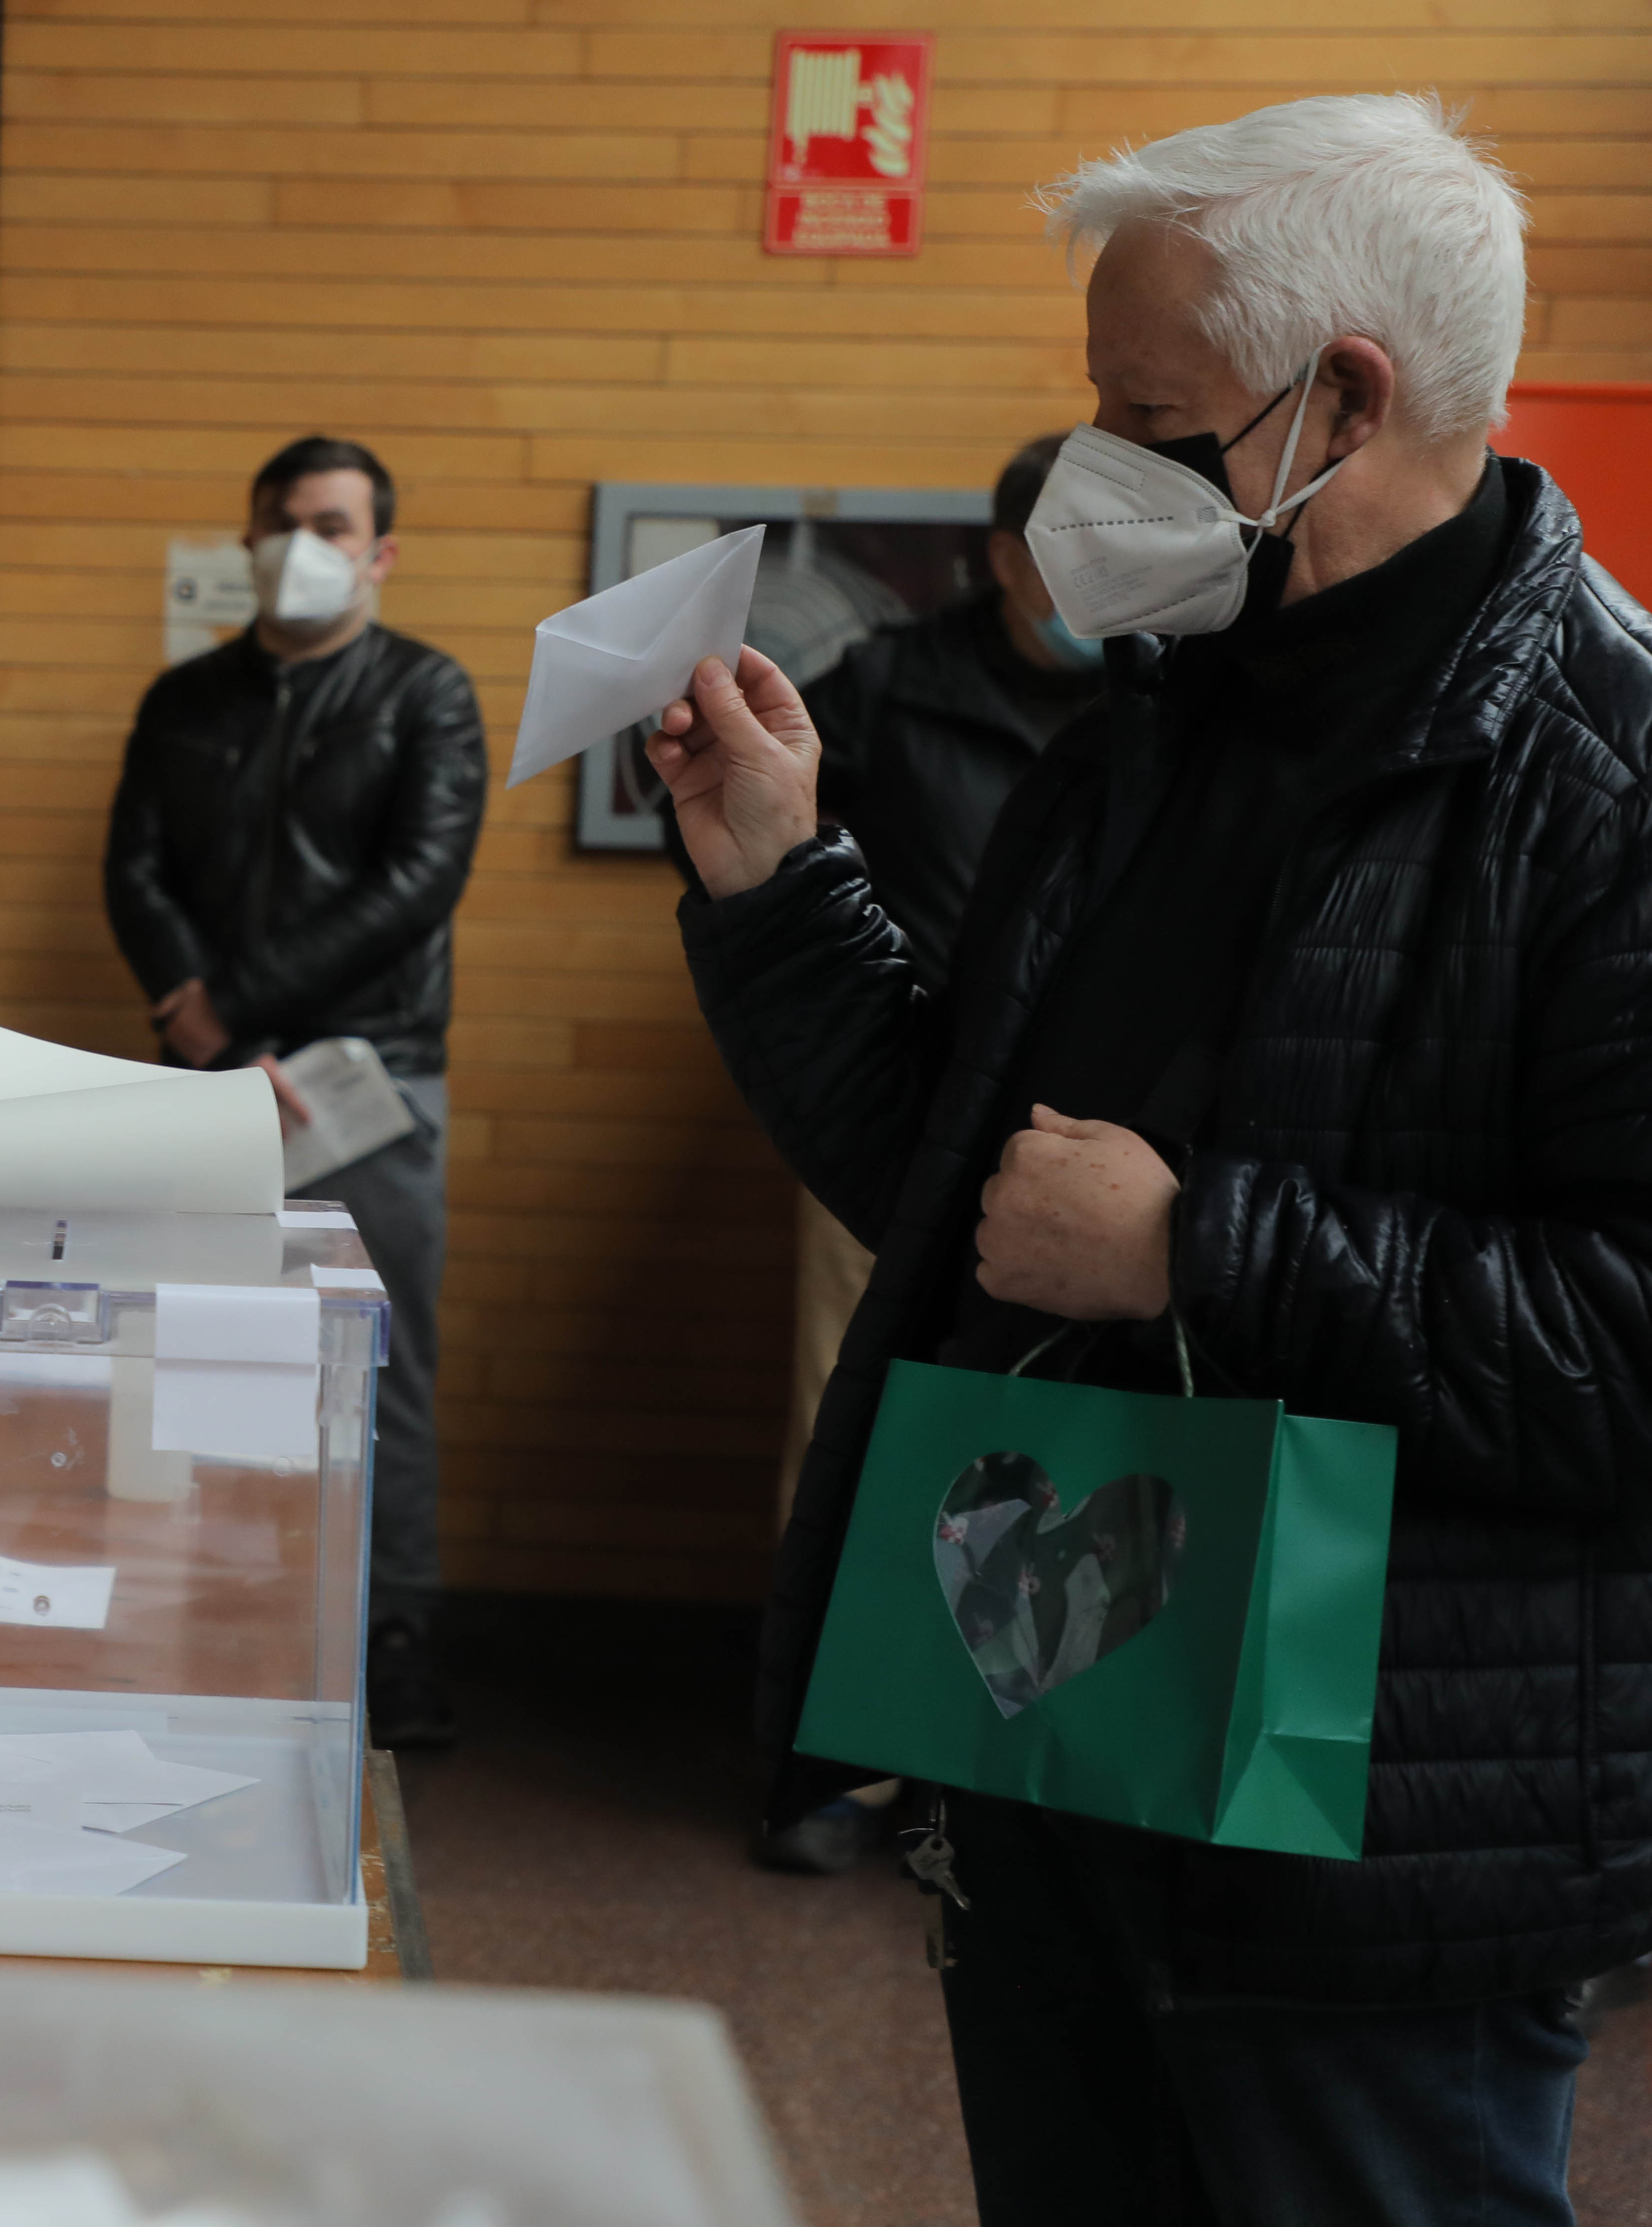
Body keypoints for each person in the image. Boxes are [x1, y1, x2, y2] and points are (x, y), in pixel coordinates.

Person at [653, 93, 1648, 2222]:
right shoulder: (1152, 728)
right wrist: (770, 884)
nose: (1091, 466)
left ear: (1340, 399)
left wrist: (1205, 1250)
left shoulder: (1602, 771)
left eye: (1141, 412)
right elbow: (964, 1177)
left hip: (1367, 1828)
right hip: (1054, 1702)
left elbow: (1623, 1340)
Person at [755, 434, 1133, 1873]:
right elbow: (766, 866)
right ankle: (848, 1756)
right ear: (1002, 557)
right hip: (904, 1121)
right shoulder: (888, 684)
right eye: (1067, 550)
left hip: (1096, 1150)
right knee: (851, 1414)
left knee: (1038, 1450)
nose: (1098, 584)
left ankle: (971, 1751)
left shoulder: (1168, 705)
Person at [102, 434, 487, 1750]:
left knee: (384, 1374)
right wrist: (197, 1018)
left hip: (371, 1083)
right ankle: (214, 1618)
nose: (300, 545)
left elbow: (419, 880)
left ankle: (397, 1641)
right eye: (279, 522)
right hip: (206, 1083)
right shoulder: (184, 699)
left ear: (380, 550)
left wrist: (243, 1002)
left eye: (330, 523)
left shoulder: (428, 693)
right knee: (196, 1359)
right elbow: (133, 871)